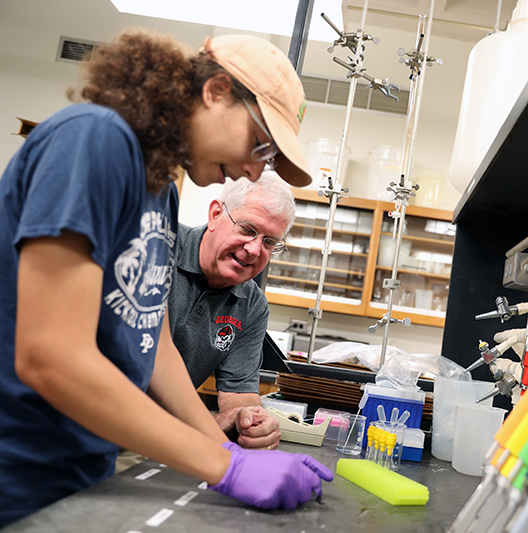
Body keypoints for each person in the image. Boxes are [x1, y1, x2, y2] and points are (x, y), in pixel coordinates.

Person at [0, 31, 332, 527]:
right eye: (260, 144)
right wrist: (225, 466)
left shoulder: (160, 191)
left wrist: (226, 449)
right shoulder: (94, 138)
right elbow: (51, 356)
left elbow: (151, 344)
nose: (252, 166)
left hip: (86, 469)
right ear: (216, 91)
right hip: (17, 469)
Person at [170, 172, 295, 450]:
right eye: (248, 229)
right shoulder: (160, 249)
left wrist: (249, 419)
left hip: (165, 437)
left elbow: (239, 393)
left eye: (269, 242)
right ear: (215, 214)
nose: (253, 249)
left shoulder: (251, 305)